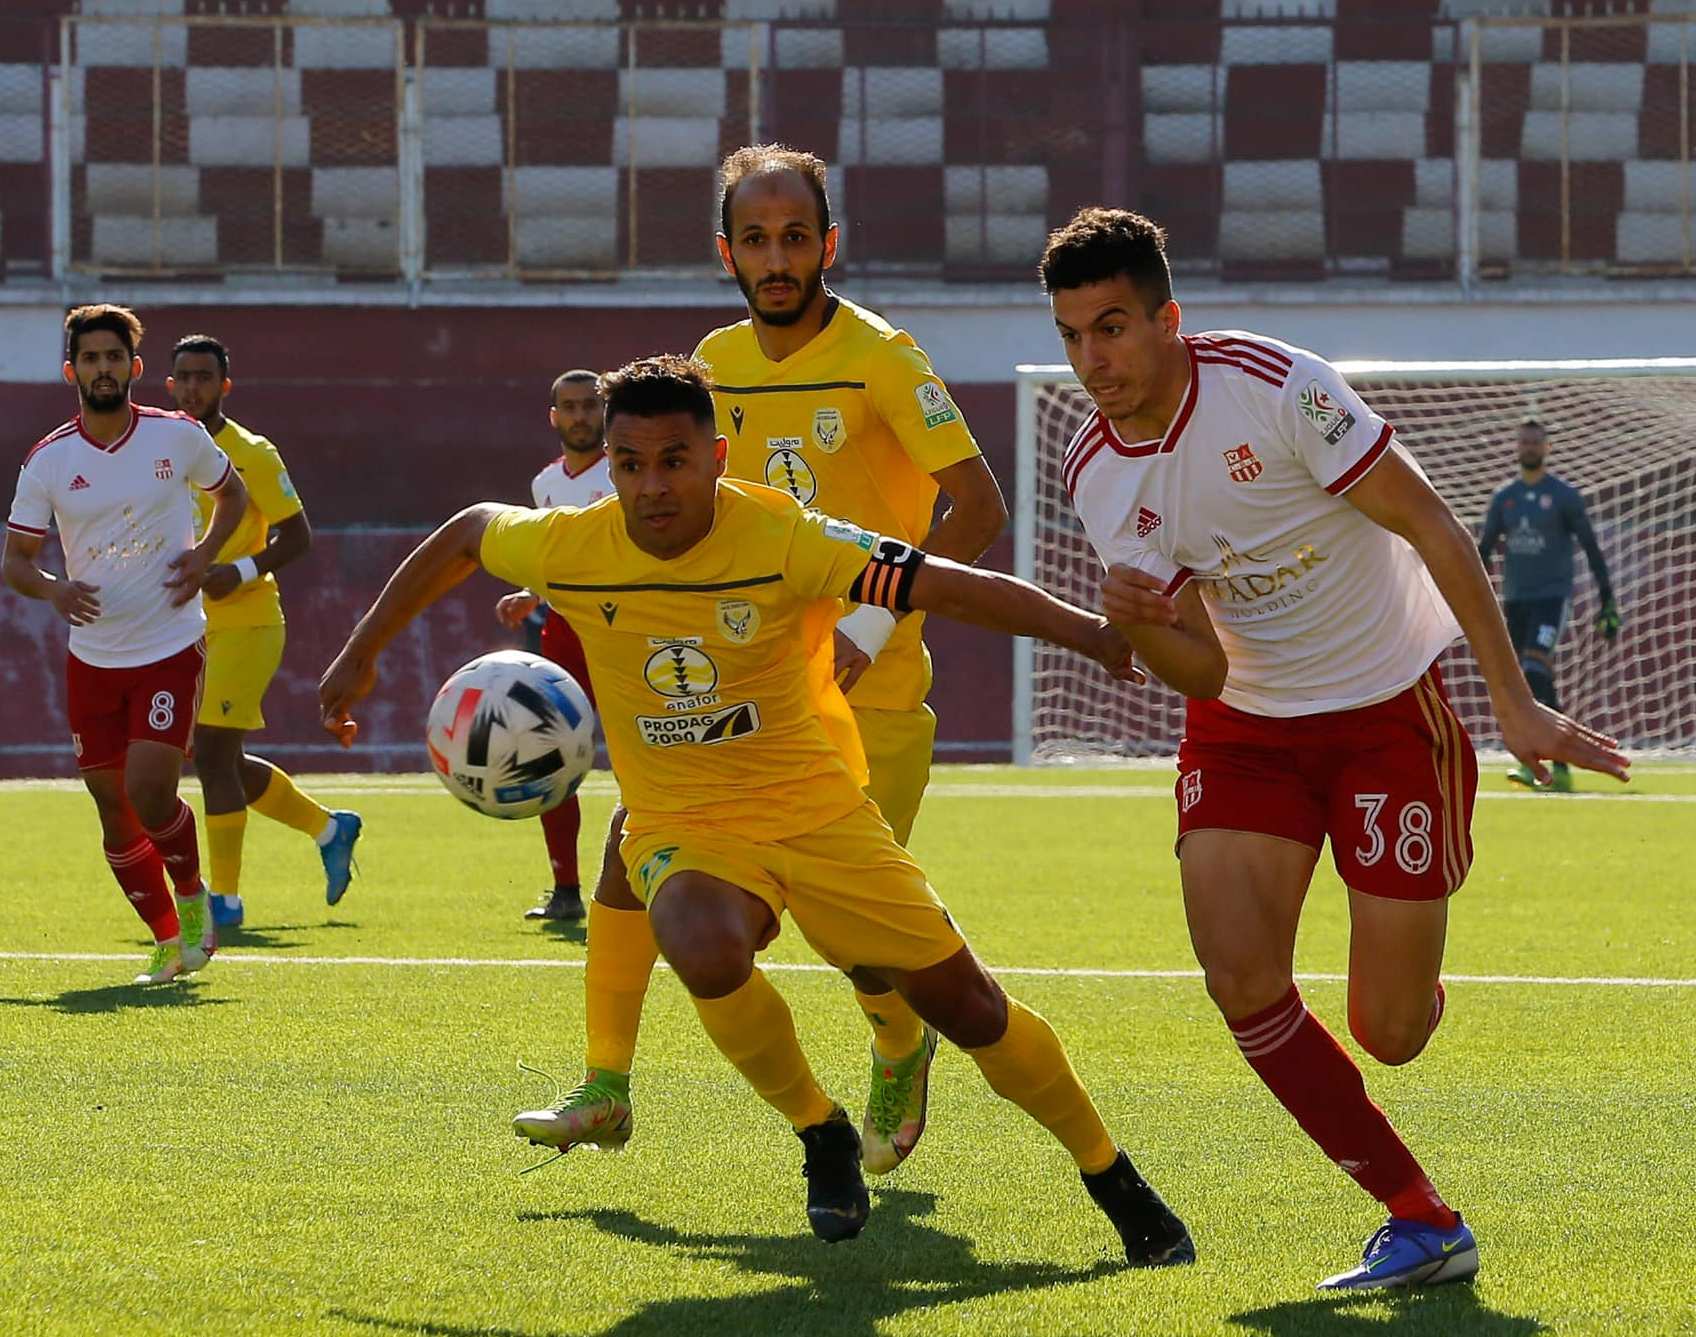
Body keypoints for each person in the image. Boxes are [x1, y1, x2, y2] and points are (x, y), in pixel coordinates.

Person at [318, 354, 1194, 1265]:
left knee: (968, 1007)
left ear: (717, 455)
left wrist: (1092, 635)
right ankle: (822, 1133)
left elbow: (943, 583)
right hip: (685, 824)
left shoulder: (785, 537)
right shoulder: (572, 546)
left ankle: (1111, 1174)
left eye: (674, 460)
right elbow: (467, 531)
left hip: (819, 813)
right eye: (628, 464)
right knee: (698, 939)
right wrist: (361, 651)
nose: (651, 485)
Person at [1041, 209, 1629, 1290]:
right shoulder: (1095, 470)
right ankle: (1420, 1215)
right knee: (1238, 974)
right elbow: (1205, 672)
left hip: (1383, 710)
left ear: (1169, 318)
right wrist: (1139, 627)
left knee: (1391, 1030)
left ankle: (1411, 957)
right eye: (1074, 334)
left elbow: (1436, 526)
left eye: (1113, 327)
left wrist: (1515, 702)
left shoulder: (1282, 388)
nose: (1093, 359)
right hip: (1246, 727)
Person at [535, 144, 1011, 1177]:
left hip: (869, 699)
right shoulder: (714, 363)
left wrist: (871, 627)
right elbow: (679, 510)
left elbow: (978, 505)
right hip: (742, 691)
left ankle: (898, 1039)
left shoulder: (886, 357)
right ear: (727, 252)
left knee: (866, 945)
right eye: (756, 238)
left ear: (828, 243)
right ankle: (605, 1081)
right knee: (634, 846)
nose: (777, 256)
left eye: (796, 236)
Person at [4, 304, 247, 983]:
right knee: (111, 804)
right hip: (93, 657)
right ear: (71, 370)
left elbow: (233, 495)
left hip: (169, 642)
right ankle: (169, 941)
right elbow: (16, 560)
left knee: (148, 790)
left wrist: (204, 554)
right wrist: (53, 589)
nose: (103, 368)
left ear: (135, 368)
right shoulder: (49, 460)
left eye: (114, 357)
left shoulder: (178, 436)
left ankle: (196, 898)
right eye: (90, 358)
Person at [166, 333, 362, 927]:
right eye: (184, 377)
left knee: (213, 754)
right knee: (215, 755)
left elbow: (297, 535)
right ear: (169, 385)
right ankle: (330, 829)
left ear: (225, 386)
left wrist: (242, 569)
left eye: (205, 376)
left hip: (247, 619)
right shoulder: (160, 450)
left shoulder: (251, 451)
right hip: (180, 624)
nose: (193, 387)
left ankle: (223, 902)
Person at [492, 368, 622, 924]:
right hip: (565, 633)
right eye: (568, 407)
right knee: (551, 755)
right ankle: (565, 888)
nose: (580, 416)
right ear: (554, 417)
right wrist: (530, 594)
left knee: (646, 757)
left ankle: (647, 880)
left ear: (605, 411)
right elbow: (558, 560)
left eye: (590, 406)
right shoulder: (545, 484)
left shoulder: (627, 470)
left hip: (626, 629)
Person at [1477, 420, 1619, 793]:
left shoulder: (1564, 496)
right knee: (1524, 682)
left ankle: (1557, 764)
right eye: (1524, 441)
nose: (1529, 447)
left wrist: (1608, 602)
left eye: (1536, 442)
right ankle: (1540, 765)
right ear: (1516, 446)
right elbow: (1483, 552)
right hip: (1515, 601)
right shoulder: (1504, 498)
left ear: (1547, 448)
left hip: (1551, 598)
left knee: (1534, 670)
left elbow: (1591, 548)